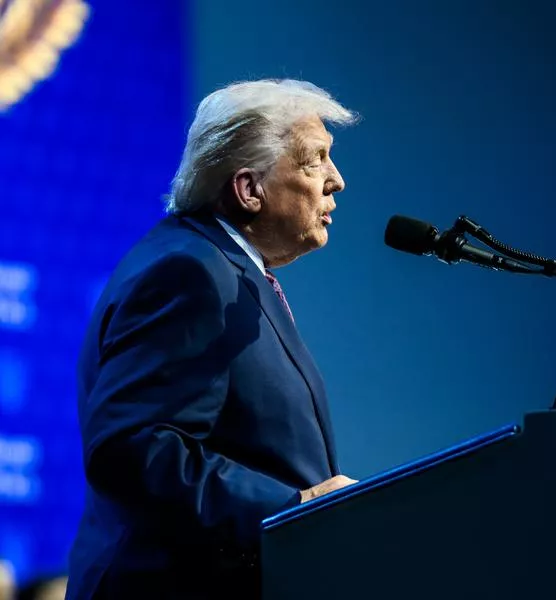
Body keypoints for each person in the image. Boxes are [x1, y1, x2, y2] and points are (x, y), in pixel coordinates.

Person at [66, 79, 360, 599]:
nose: (336, 180)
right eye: (315, 161)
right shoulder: (190, 272)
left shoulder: (228, 273)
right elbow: (134, 446)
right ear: (249, 189)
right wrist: (294, 507)